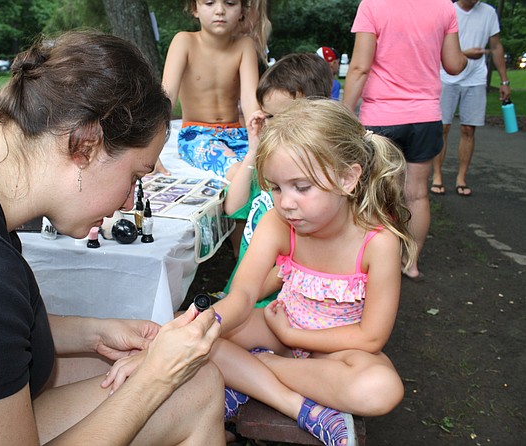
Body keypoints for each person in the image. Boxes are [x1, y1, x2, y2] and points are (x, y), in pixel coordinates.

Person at [0, 31, 226, 446]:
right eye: (135, 177)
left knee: (192, 380)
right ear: (84, 146)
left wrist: (92, 333)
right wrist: (158, 379)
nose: (127, 202)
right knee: (181, 387)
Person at [105, 99, 418, 446]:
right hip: (274, 326)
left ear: (348, 178)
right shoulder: (279, 223)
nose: (285, 202)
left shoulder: (378, 242)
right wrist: (175, 342)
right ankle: (307, 409)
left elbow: (370, 338)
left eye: (302, 187)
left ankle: (250, 374)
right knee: (193, 330)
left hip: (337, 349)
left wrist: (294, 337)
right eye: (277, 187)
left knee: (381, 389)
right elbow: (241, 297)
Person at [342, 0, 468, 281]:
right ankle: (410, 262)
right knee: (417, 194)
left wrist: (345, 113)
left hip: (381, 115)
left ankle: (367, 261)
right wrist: (466, 58)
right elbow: (453, 64)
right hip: (425, 116)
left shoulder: (373, 5)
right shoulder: (445, 7)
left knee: (372, 191)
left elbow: (360, 67)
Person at [223, 52, 333, 304]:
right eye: (267, 115)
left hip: (277, 299)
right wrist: (253, 149)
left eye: (279, 117)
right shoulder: (268, 163)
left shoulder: (316, 178)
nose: (269, 125)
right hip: (245, 289)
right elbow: (233, 207)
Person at [162, 0, 270, 177]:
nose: (220, 11)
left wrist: (259, 136)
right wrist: (150, 147)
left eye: (230, 3)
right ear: (194, 9)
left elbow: (250, 99)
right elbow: (167, 97)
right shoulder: (184, 42)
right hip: (196, 134)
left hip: (236, 132)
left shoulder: (245, 45)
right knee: (238, 170)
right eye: (209, 3)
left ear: (242, 10)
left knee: (266, 166)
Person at [431, 0, 511, 197]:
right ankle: (437, 176)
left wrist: (504, 81)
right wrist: (463, 53)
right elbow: (435, 45)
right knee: (442, 127)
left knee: (468, 129)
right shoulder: (447, 10)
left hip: (475, 78)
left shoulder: (489, 13)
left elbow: (496, 46)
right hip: (446, 76)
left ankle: (461, 178)